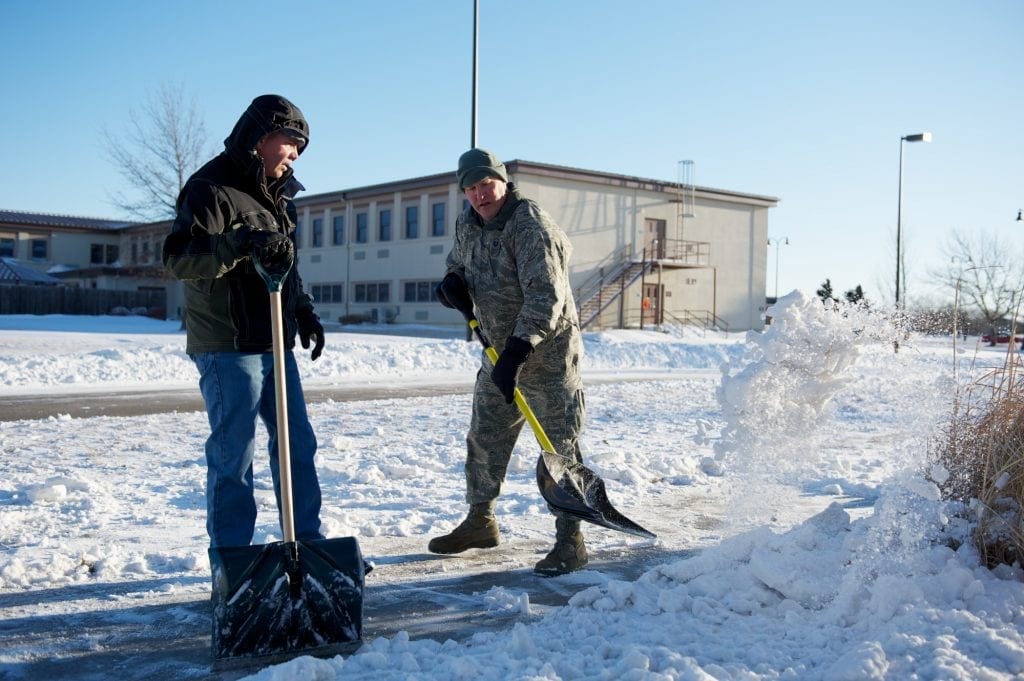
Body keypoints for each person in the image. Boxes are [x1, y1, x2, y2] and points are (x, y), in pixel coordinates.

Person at [162, 94, 326, 548]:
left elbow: (285, 265)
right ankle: (232, 557)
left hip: (275, 338)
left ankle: (308, 545)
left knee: (297, 445)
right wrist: (237, 243)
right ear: (260, 137)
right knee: (235, 451)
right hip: (228, 341)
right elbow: (178, 259)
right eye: (291, 142)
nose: (294, 154)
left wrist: (303, 308)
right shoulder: (210, 189)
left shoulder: (278, 197)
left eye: (300, 147)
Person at [429, 148, 590, 576]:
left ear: (503, 181)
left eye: (486, 184)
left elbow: (546, 296)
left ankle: (570, 541)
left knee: (560, 448)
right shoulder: (469, 222)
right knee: (485, 436)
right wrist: (452, 284)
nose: (481, 195)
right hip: (498, 352)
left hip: (547, 355)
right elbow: (458, 265)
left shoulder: (530, 224)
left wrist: (520, 350)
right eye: (471, 188)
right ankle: (480, 521)